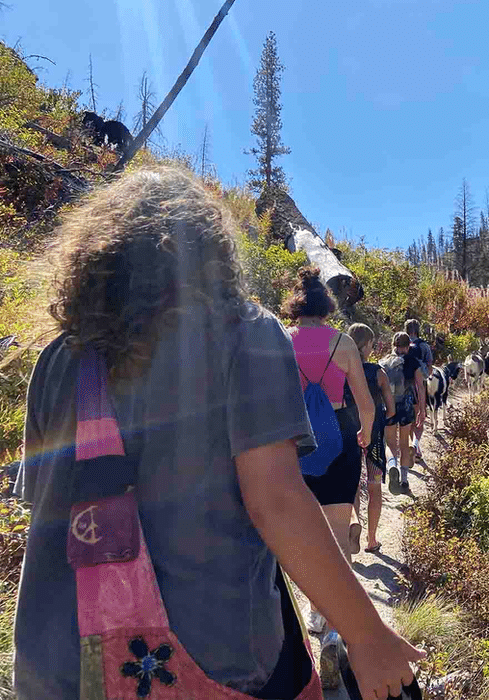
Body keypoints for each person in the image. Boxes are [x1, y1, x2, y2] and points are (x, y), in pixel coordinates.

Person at [13, 166, 422, 700]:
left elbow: (44, 509)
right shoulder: (244, 336)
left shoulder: (59, 359)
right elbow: (274, 498)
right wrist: (368, 636)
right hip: (213, 658)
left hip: (59, 666)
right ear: (211, 253)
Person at [284, 268, 377, 684]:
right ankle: (335, 631)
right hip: (339, 437)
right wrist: (365, 435)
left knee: (304, 533)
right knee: (340, 535)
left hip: (296, 444)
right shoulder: (342, 342)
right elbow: (367, 404)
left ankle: (312, 611)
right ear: (327, 308)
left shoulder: (281, 341)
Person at [344, 323, 395, 553]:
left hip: (350, 434)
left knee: (352, 486)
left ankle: (353, 527)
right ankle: (371, 539)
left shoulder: (341, 370)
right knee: (374, 486)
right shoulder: (378, 372)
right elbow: (392, 409)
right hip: (373, 436)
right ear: (366, 347)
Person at [381, 333, 426, 494]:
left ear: (393, 345)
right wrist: (422, 409)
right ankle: (405, 480)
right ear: (408, 347)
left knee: (390, 444)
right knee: (404, 442)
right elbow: (420, 387)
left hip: (389, 405)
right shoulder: (413, 362)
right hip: (406, 406)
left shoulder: (384, 362)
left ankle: (392, 465)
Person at [404, 319, 433, 463]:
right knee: (420, 418)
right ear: (418, 329)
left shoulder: (400, 342)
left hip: (402, 386)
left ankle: (415, 449)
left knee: (409, 419)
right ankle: (415, 445)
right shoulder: (424, 346)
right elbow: (429, 367)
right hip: (418, 385)